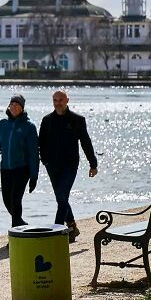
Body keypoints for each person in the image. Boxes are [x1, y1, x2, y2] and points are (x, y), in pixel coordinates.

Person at [38, 89, 98, 243]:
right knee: (61, 198)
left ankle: (57, 230)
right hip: (51, 165)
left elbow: (86, 142)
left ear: (67, 100)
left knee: (62, 196)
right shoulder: (47, 120)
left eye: (60, 100)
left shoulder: (77, 120)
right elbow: (40, 143)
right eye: (55, 100)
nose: (58, 103)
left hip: (70, 165)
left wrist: (93, 164)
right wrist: (43, 160)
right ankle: (71, 226)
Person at [0, 94, 39, 228]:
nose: (14, 107)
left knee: (15, 200)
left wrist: (34, 176)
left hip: (22, 169)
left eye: (17, 105)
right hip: (6, 169)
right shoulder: (2, 124)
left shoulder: (29, 127)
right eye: (12, 105)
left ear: (22, 108)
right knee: (7, 200)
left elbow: (34, 154)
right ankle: (20, 223)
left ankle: (16, 233)